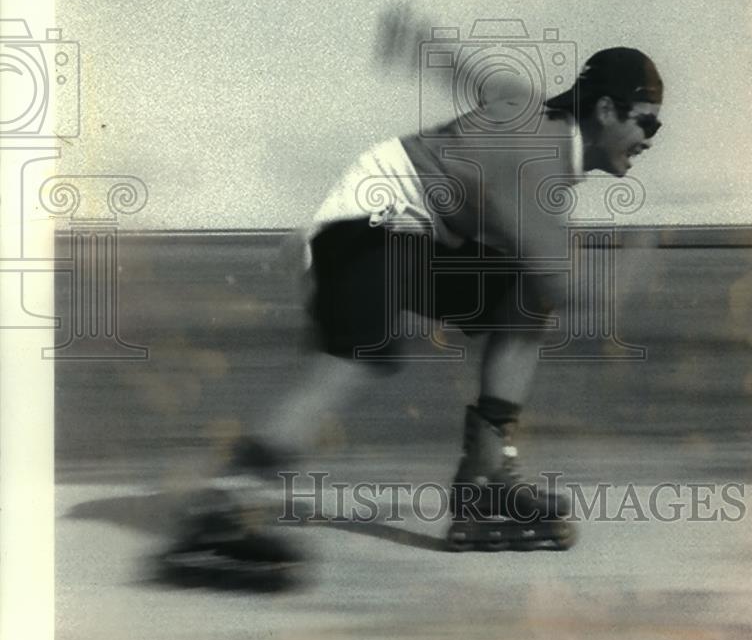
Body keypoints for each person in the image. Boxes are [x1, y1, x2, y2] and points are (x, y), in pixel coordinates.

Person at [157, 38, 663, 590]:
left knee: (522, 296)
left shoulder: (529, 108)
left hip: (402, 232)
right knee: (354, 356)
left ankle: (487, 473)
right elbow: (570, 289)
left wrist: (417, 43)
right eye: (647, 125)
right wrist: (634, 262)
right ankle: (222, 507)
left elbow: (476, 74)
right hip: (365, 227)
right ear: (607, 111)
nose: (649, 141)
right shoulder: (535, 167)